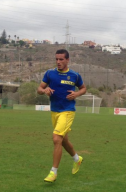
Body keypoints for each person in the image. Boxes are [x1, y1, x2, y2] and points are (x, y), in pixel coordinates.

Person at [37, 49, 87, 183]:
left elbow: (83, 88)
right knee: (63, 140)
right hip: (54, 111)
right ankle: (77, 159)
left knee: (56, 138)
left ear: (67, 60)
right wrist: (45, 90)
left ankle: (53, 172)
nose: (58, 62)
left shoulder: (75, 75)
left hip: (68, 110)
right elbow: (39, 89)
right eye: (56, 59)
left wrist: (76, 94)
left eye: (61, 59)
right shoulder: (50, 73)